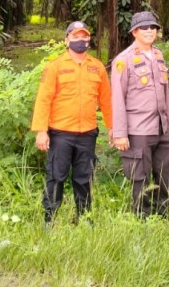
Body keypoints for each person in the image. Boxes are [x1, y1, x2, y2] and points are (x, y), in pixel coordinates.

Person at [30, 21, 112, 226]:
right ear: (66, 40)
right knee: (56, 177)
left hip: (87, 133)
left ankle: (85, 219)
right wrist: (41, 131)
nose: (80, 41)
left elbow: (106, 101)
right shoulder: (55, 66)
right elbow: (43, 99)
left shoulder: (97, 67)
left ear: (89, 40)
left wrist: (113, 127)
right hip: (60, 134)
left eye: (84, 37)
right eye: (75, 37)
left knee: (84, 178)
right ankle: (49, 220)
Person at [111, 11, 169, 218]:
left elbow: (165, 91)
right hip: (138, 129)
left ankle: (165, 215)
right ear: (134, 32)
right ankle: (142, 219)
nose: (150, 31)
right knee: (140, 178)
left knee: (167, 173)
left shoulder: (158, 55)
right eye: (145, 28)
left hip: (162, 127)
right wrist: (120, 133)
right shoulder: (123, 60)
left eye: (153, 27)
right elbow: (117, 98)